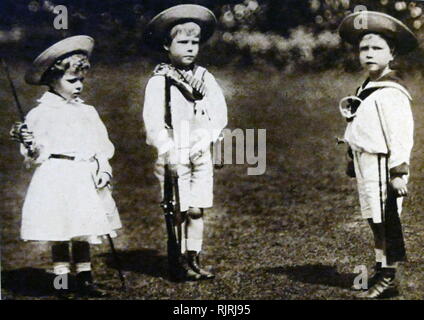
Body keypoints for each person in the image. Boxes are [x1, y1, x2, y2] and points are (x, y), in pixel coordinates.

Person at [10, 35, 121, 298]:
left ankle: (84, 279)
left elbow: (100, 146)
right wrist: (29, 142)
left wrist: (104, 169)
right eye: (72, 81)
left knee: (82, 229)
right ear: (52, 80)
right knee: (60, 230)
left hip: (83, 176)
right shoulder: (40, 114)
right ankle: (61, 282)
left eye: (81, 80)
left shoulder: (87, 112)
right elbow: (34, 154)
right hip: (55, 177)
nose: (79, 86)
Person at [142, 4, 228, 281]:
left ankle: (194, 257)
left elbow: (219, 114)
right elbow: (153, 122)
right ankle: (177, 260)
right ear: (167, 45)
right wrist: (166, 152)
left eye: (195, 42)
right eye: (183, 42)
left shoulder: (205, 78)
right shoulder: (160, 81)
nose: (190, 48)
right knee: (177, 210)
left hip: (200, 150)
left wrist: (209, 138)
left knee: (196, 208)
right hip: (173, 153)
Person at [338, 11, 417, 298]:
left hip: (384, 165)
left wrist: (399, 172)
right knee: (373, 219)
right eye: (364, 49)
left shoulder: (391, 91)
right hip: (366, 162)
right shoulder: (368, 86)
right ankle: (383, 268)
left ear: (391, 53)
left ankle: (389, 277)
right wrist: (351, 156)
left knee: (385, 220)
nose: (368, 54)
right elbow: (362, 125)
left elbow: (401, 134)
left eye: (376, 48)